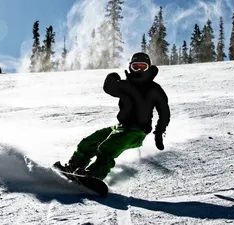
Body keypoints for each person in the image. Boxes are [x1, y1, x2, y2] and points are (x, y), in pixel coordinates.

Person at [54, 52, 171, 180]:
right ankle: (73, 167)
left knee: (108, 148)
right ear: (130, 67)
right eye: (135, 66)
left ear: (148, 68)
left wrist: (159, 133)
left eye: (142, 67)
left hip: (137, 130)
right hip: (121, 127)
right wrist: (111, 78)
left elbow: (164, 112)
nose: (138, 70)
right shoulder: (126, 85)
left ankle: (94, 175)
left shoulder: (154, 89)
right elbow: (109, 88)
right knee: (89, 142)